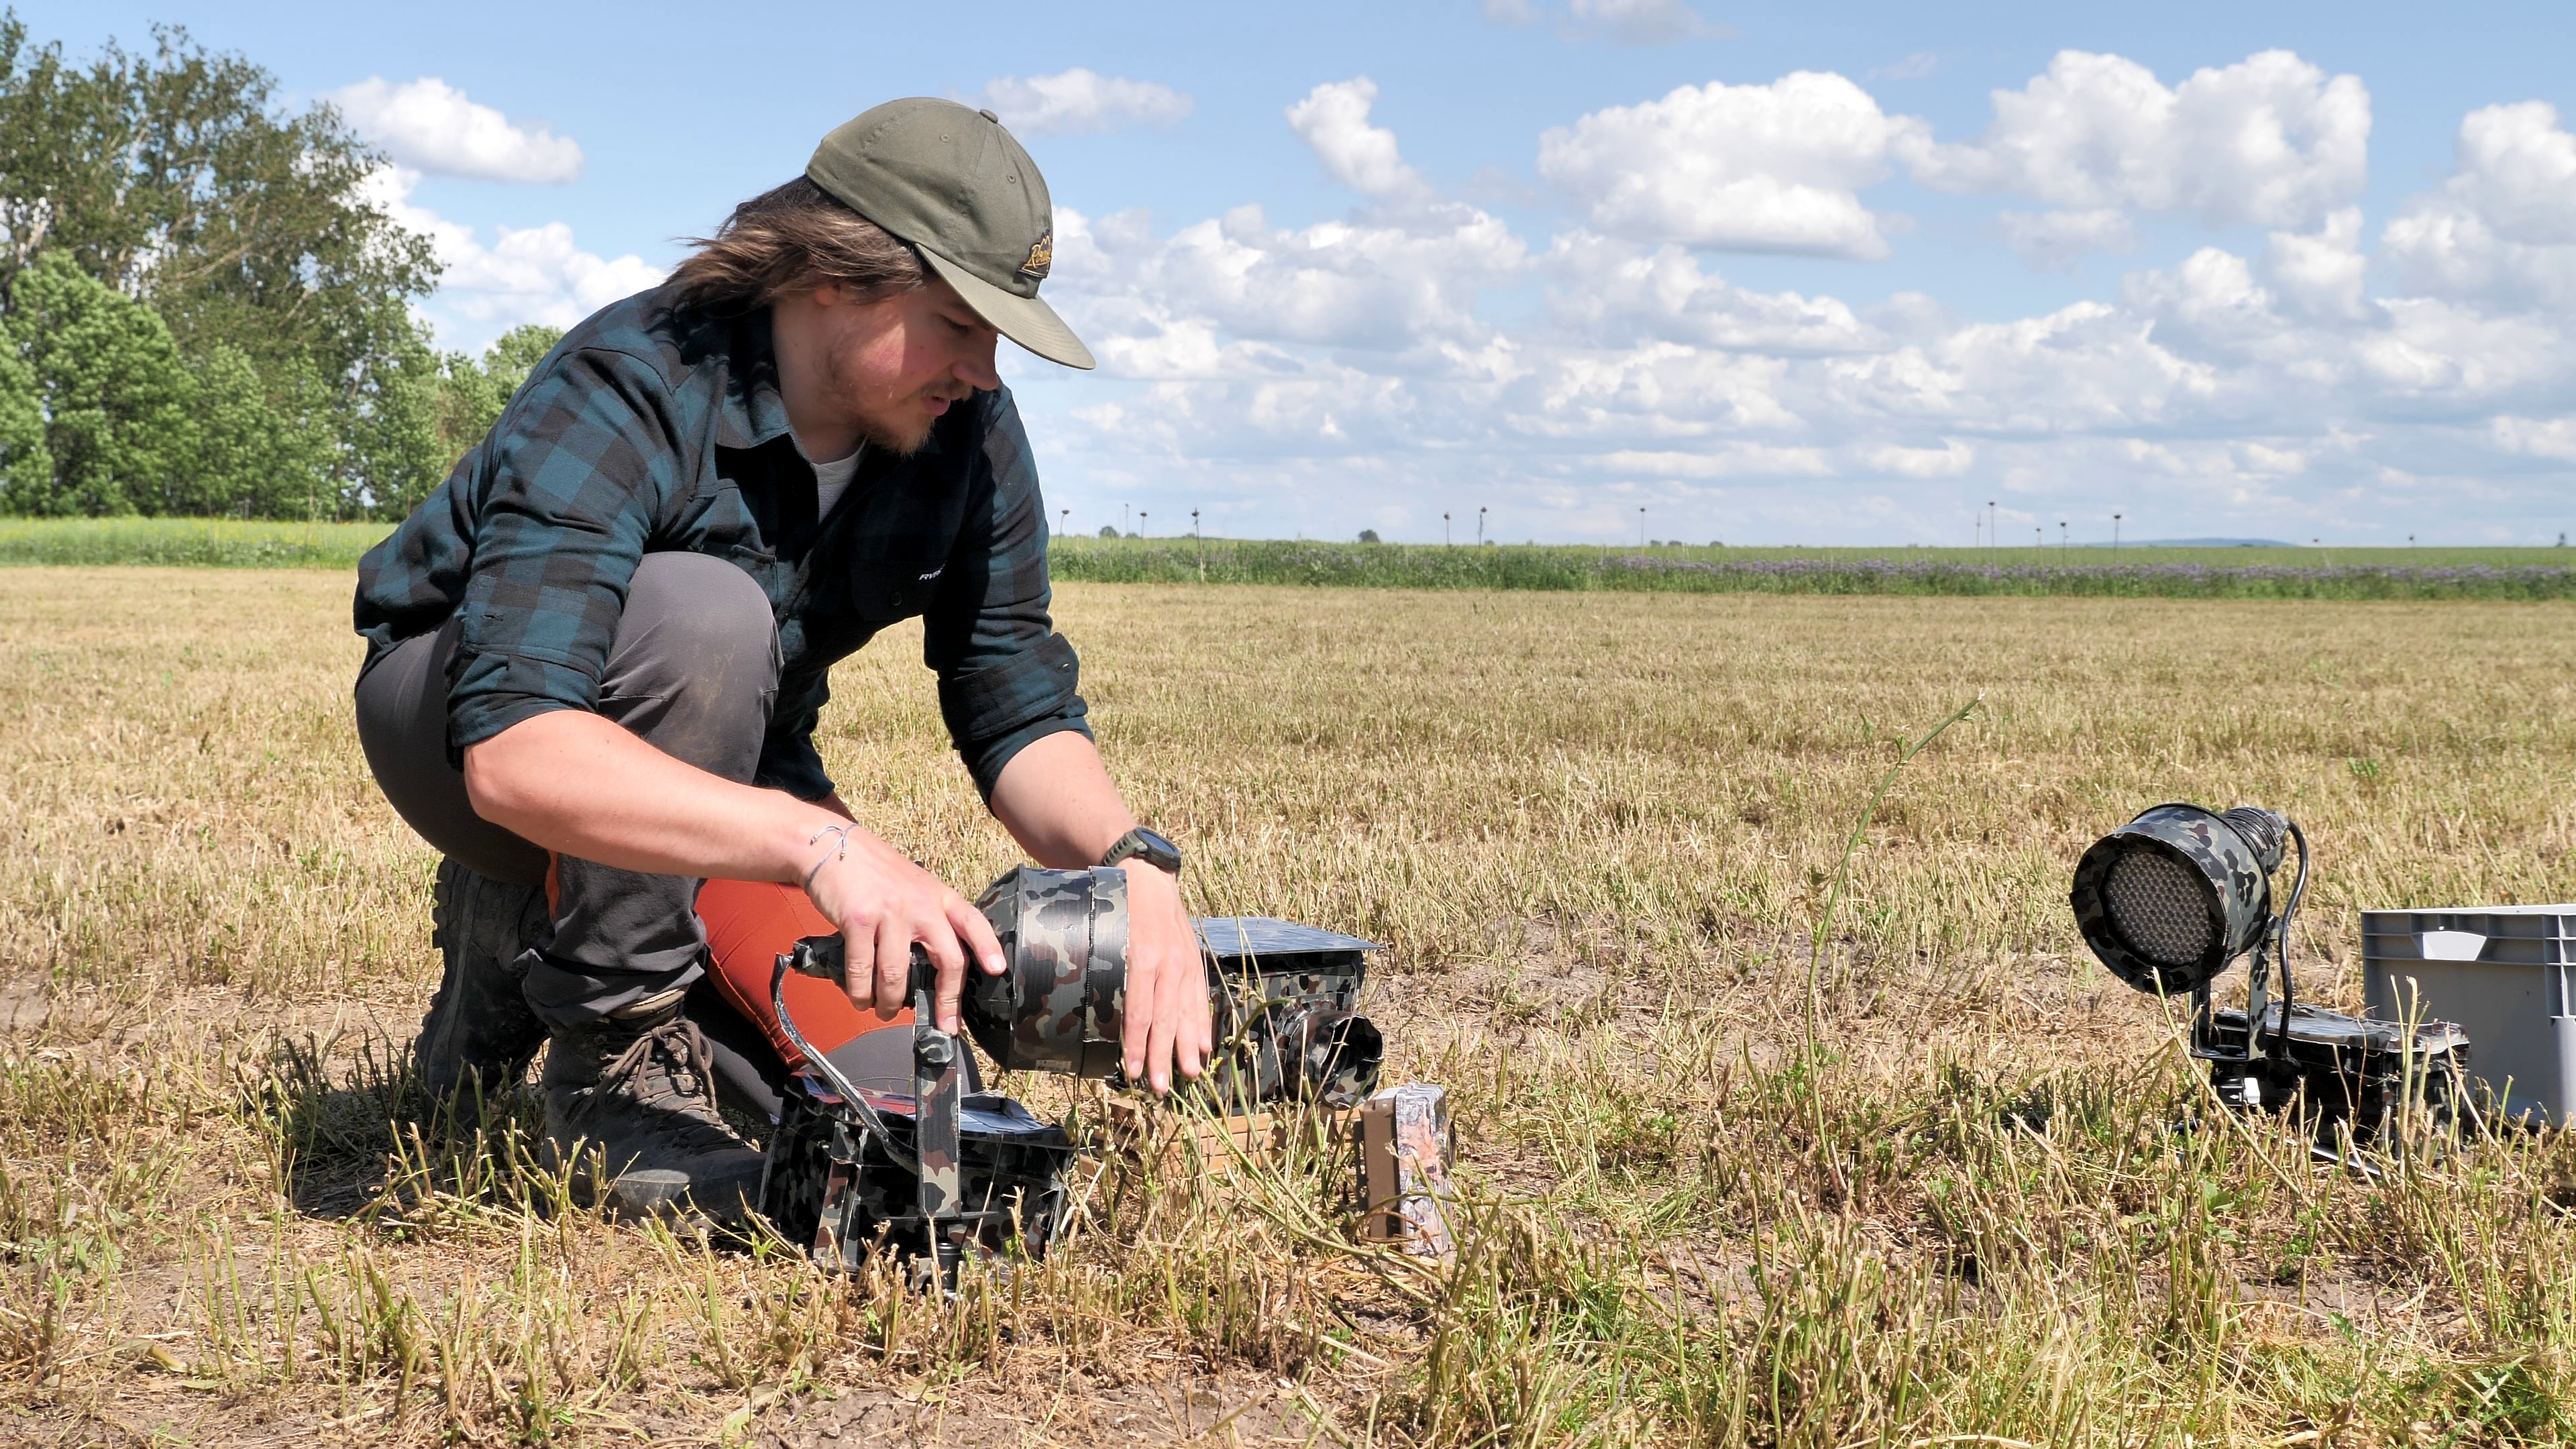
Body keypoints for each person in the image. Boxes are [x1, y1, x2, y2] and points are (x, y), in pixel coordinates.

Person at [351, 98, 1212, 1218]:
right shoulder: (631, 378)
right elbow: (515, 747)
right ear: (832, 277)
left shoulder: (969, 430)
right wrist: (823, 846)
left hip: (728, 760)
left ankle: (522, 943)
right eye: (958, 321)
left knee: (903, 1109)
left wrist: (1131, 866)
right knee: (701, 616)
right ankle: (606, 1044)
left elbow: (1010, 687)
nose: (986, 369)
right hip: (462, 721)